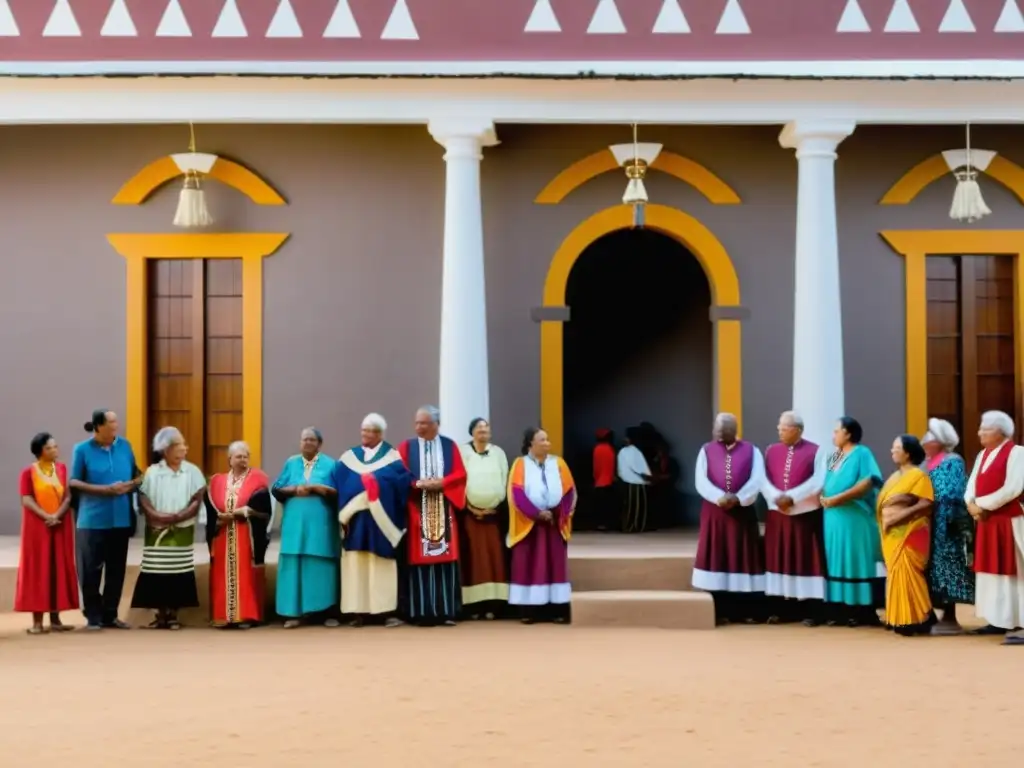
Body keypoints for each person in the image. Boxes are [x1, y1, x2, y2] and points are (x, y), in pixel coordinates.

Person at [335, 413, 411, 628]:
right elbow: (340, 484)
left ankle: (385, 612)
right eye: (363, 430)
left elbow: (401, 484)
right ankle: (358, 611)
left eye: (368, 431)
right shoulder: (349, 457)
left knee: (381, 565)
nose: (364, 434)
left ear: (379, 433)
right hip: (356, 522)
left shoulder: (392, 457)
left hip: (381, 524)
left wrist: (375, 484)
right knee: (356, 563)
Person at [70, 409, 141, 631]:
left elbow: (137, 476)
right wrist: (104, 489)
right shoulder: (82, 450)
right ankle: (93, 615)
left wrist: (127, 486)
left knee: (116, 570)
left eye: (116, 421)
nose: (116, 425)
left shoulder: (125, 446)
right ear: (98, 426)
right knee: (90, 569)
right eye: (111, 422)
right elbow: (73, 481)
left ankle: (110, 615)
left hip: (120, 518)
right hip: (92, 520)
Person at [691, 413, 766, 625]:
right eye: (716, 430)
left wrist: (739, 498)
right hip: (716, 512)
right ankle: (720, 609)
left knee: (742, 556)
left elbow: (757, 479)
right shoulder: (706, 450)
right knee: (718, 555)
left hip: (741, 513)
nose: (717, 434)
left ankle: (746, 610)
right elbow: (701, 480)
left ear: (733, 431)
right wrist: (719, 497)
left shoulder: (753, 451)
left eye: (722, 431)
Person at [396, 406, 466, 626]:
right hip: (418, 510)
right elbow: (398, 474)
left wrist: (442, 483)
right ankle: (420, 612)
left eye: (424, 423)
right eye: (417, 423)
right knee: (420, 560)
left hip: (444, 508)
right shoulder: (407, 447)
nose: (419, 427)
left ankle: (446, 611)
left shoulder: (449, 446)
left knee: (444, 559)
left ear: (436, 424)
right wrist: (416, 483)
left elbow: (460, 473)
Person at [131, 427, 206, 629]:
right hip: (157, 530)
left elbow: (197, 499)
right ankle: (159, 614)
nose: (185, 448)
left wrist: (179, 516)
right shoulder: (153, 472)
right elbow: (144, 499)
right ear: (167, 449)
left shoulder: (192, 471)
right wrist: (159, 517)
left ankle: (173, 614)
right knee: (156, 571)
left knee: (179, 571)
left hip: (182, 529)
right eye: (180, 444)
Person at [760, 411, 828, 626]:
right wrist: (776, 497)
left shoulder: (817, 451)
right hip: (777, 515)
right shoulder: (771, 450)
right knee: (779, 558)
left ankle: (811, 611)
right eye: (779, 427)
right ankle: (781, 609)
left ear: (797, 430)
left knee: (804, 560)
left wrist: (793, 497)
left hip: (804, 516)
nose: (779, 431)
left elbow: (818, 481)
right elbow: (763, 479)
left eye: (784, 428)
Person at [963, 410, 1024, 643]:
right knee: (990, 571)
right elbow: (972, 484)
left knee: (1013, 572)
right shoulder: (982, 454)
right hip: (987, 522)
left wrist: (982, 505)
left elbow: (1013, 488)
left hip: (1009, 522)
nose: (979, 433)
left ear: (1000, 432)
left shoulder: (1018, 453)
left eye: (984, 429)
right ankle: (997, 619)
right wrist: (971, 503)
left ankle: (1018, 620)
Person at [820, 416, 885, 627]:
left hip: (854, 518)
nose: (833, 434)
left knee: (854, 560)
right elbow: (825, 482)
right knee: (835, 559)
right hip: (832, 518)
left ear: (848, 433)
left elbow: (868, 481)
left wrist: (838, 498)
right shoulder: (833, 456)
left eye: (836, 430)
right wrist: (823, 495)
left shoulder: (862, 453)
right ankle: (838, 610)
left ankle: (860, 609)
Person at [273, 427, 340, 629]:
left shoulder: (331, 464)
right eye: (304, 439)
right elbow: (277, 488)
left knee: (321, 566)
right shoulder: (291, 463)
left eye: (312, 440)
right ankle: (294, 613)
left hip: (321, 526)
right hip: (295, 526)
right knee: (295, 565)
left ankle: (326, 613)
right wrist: (294, 489)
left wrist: (316, 488)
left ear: (319, 444)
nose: (307, 443)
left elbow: (338, 492)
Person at [507, 427, 576, 624]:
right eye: (542, 440)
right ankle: (529, 611)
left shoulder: (559, 463)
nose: (547, 443)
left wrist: (557, 512)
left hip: (554, 523)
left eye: (547, 439)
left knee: (554, 565)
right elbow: (516, 493)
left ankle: (557, 610)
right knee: (529, 565)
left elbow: (569, 490)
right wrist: (537, 513)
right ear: (531, 444)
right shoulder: (520, 465)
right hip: (530, 525)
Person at [15, 432, 78, 634]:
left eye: (55, 446)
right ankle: (37, 623)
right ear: (40, 451)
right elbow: (26, 499)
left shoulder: (60, 469)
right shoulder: (28, 473)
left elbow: (67, 497)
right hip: (38, 528)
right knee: (38, 568)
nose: (55, 450)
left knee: (57, 567)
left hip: (59, 525)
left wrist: (57, 515)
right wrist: (46, 516)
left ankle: (56, 619)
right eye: (50, 447)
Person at [205, 441, 272, 629]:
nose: (243, 460)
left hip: (246, 535)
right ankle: (223, 616)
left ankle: (246, 616)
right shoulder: (218, 481)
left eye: (245, 456)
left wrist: (247, 512)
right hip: (223, 536)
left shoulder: (258, 481)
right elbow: (210, 510)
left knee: (245, 574)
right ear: (230, 459)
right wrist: (219, 521)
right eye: (238, 456)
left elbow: (265, 511)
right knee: (222, 575)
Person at [878, 435, 936, 636]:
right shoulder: (894, 478)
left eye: (896, 448)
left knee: (909, 573)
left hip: (912, 532)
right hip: (892, 535)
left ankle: (920, 617)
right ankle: (900, 617)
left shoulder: (919, 476)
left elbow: (926, 503)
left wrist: (898, 518)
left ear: (908, 453)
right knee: (896, 575)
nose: (892, 451)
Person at [921, 418, 974, 635]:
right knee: (929, 568)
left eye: (929, 436)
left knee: (948, 568)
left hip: (947, 525)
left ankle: (950, 617)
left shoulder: (953, 461)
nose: (924, 440)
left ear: (940, 441)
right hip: (927, 522)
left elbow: (953, 493)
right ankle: (932, 613)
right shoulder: (926, 463)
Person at [459, 417, 510, 620]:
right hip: (470, 515)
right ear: (472, 432)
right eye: (479, 428)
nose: (483, 430)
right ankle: (474, 607)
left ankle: (494, 605)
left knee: (494, 558)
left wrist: (495, 505)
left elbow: (504, 477)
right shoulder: (464, 453)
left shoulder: (498, 453)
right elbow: (459, 480)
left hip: (493, 516)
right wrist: (470, 507)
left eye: (486, 427)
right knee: (474, 558)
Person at [618, 427, 652, 533]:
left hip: (626, 481)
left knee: (628, 505)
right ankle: (635, 527)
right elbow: (637, 467)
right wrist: (647, 476)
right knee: (636, 506)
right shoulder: (634, 451)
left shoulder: (623, 451)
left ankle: (628, 526)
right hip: (636, 482)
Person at [591, 429, 616, 531]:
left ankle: (600, 524)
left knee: (600, 506)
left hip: (599, 482)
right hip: (609, 481)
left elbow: (596, 467)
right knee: (608, 505)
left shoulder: (597, 449)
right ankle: (607, 524)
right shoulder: (610, 449)